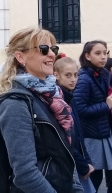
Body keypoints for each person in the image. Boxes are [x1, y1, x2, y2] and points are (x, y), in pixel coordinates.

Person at [0, 27, 83, 193]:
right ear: (20, 56)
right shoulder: (15, 102)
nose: (52, 55)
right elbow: (25, 174)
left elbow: (65, 153)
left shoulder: (52, 94)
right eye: (43, 49)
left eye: (53, 49)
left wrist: (75, 187)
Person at [74, 41, 112, 192]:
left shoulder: (104, 73)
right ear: (87, 56)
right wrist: (106, 105)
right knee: (93, 178)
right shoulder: (84, 78)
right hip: (92, 136)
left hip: (104, 131)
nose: (103, 57)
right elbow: (80, 109)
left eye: (105, 52)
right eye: (98, 53)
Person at [54, 57, 95, 193]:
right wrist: (83, 164)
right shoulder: (58, 101)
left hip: (78, 159)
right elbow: (65, 140)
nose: (73, 79)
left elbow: (78, 134)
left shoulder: (71, 97)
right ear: (56, 75)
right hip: (69, 163)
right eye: (68, 75)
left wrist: (87, 159)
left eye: (76, 75)